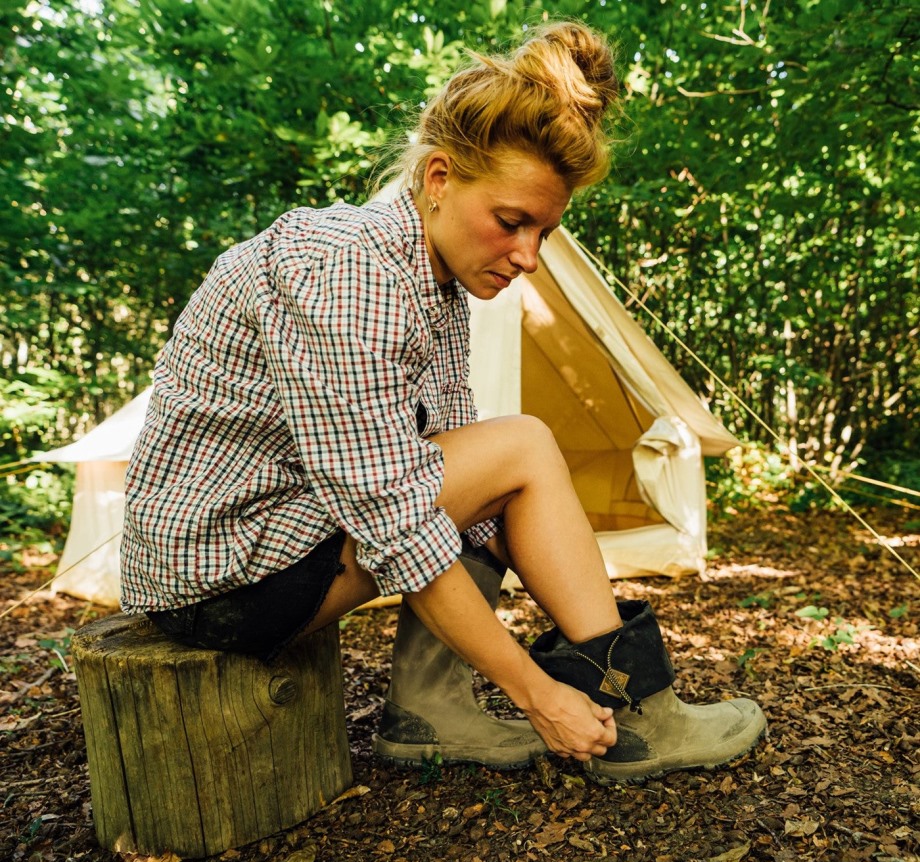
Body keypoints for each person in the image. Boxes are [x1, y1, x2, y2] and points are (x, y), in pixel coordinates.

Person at [121, 20, 765, 784]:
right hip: (218, 580)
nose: (527, 256)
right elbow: (396, 523)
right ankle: (641, 718)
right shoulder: (349, 272)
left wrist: (528, 543)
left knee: (506, 466)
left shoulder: (432, 285)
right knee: (522, 446)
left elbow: (448, 474)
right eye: (511, 222)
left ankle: (433, 712)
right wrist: (538, 694)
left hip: (273, 544)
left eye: (545, 233)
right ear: (437, 179)